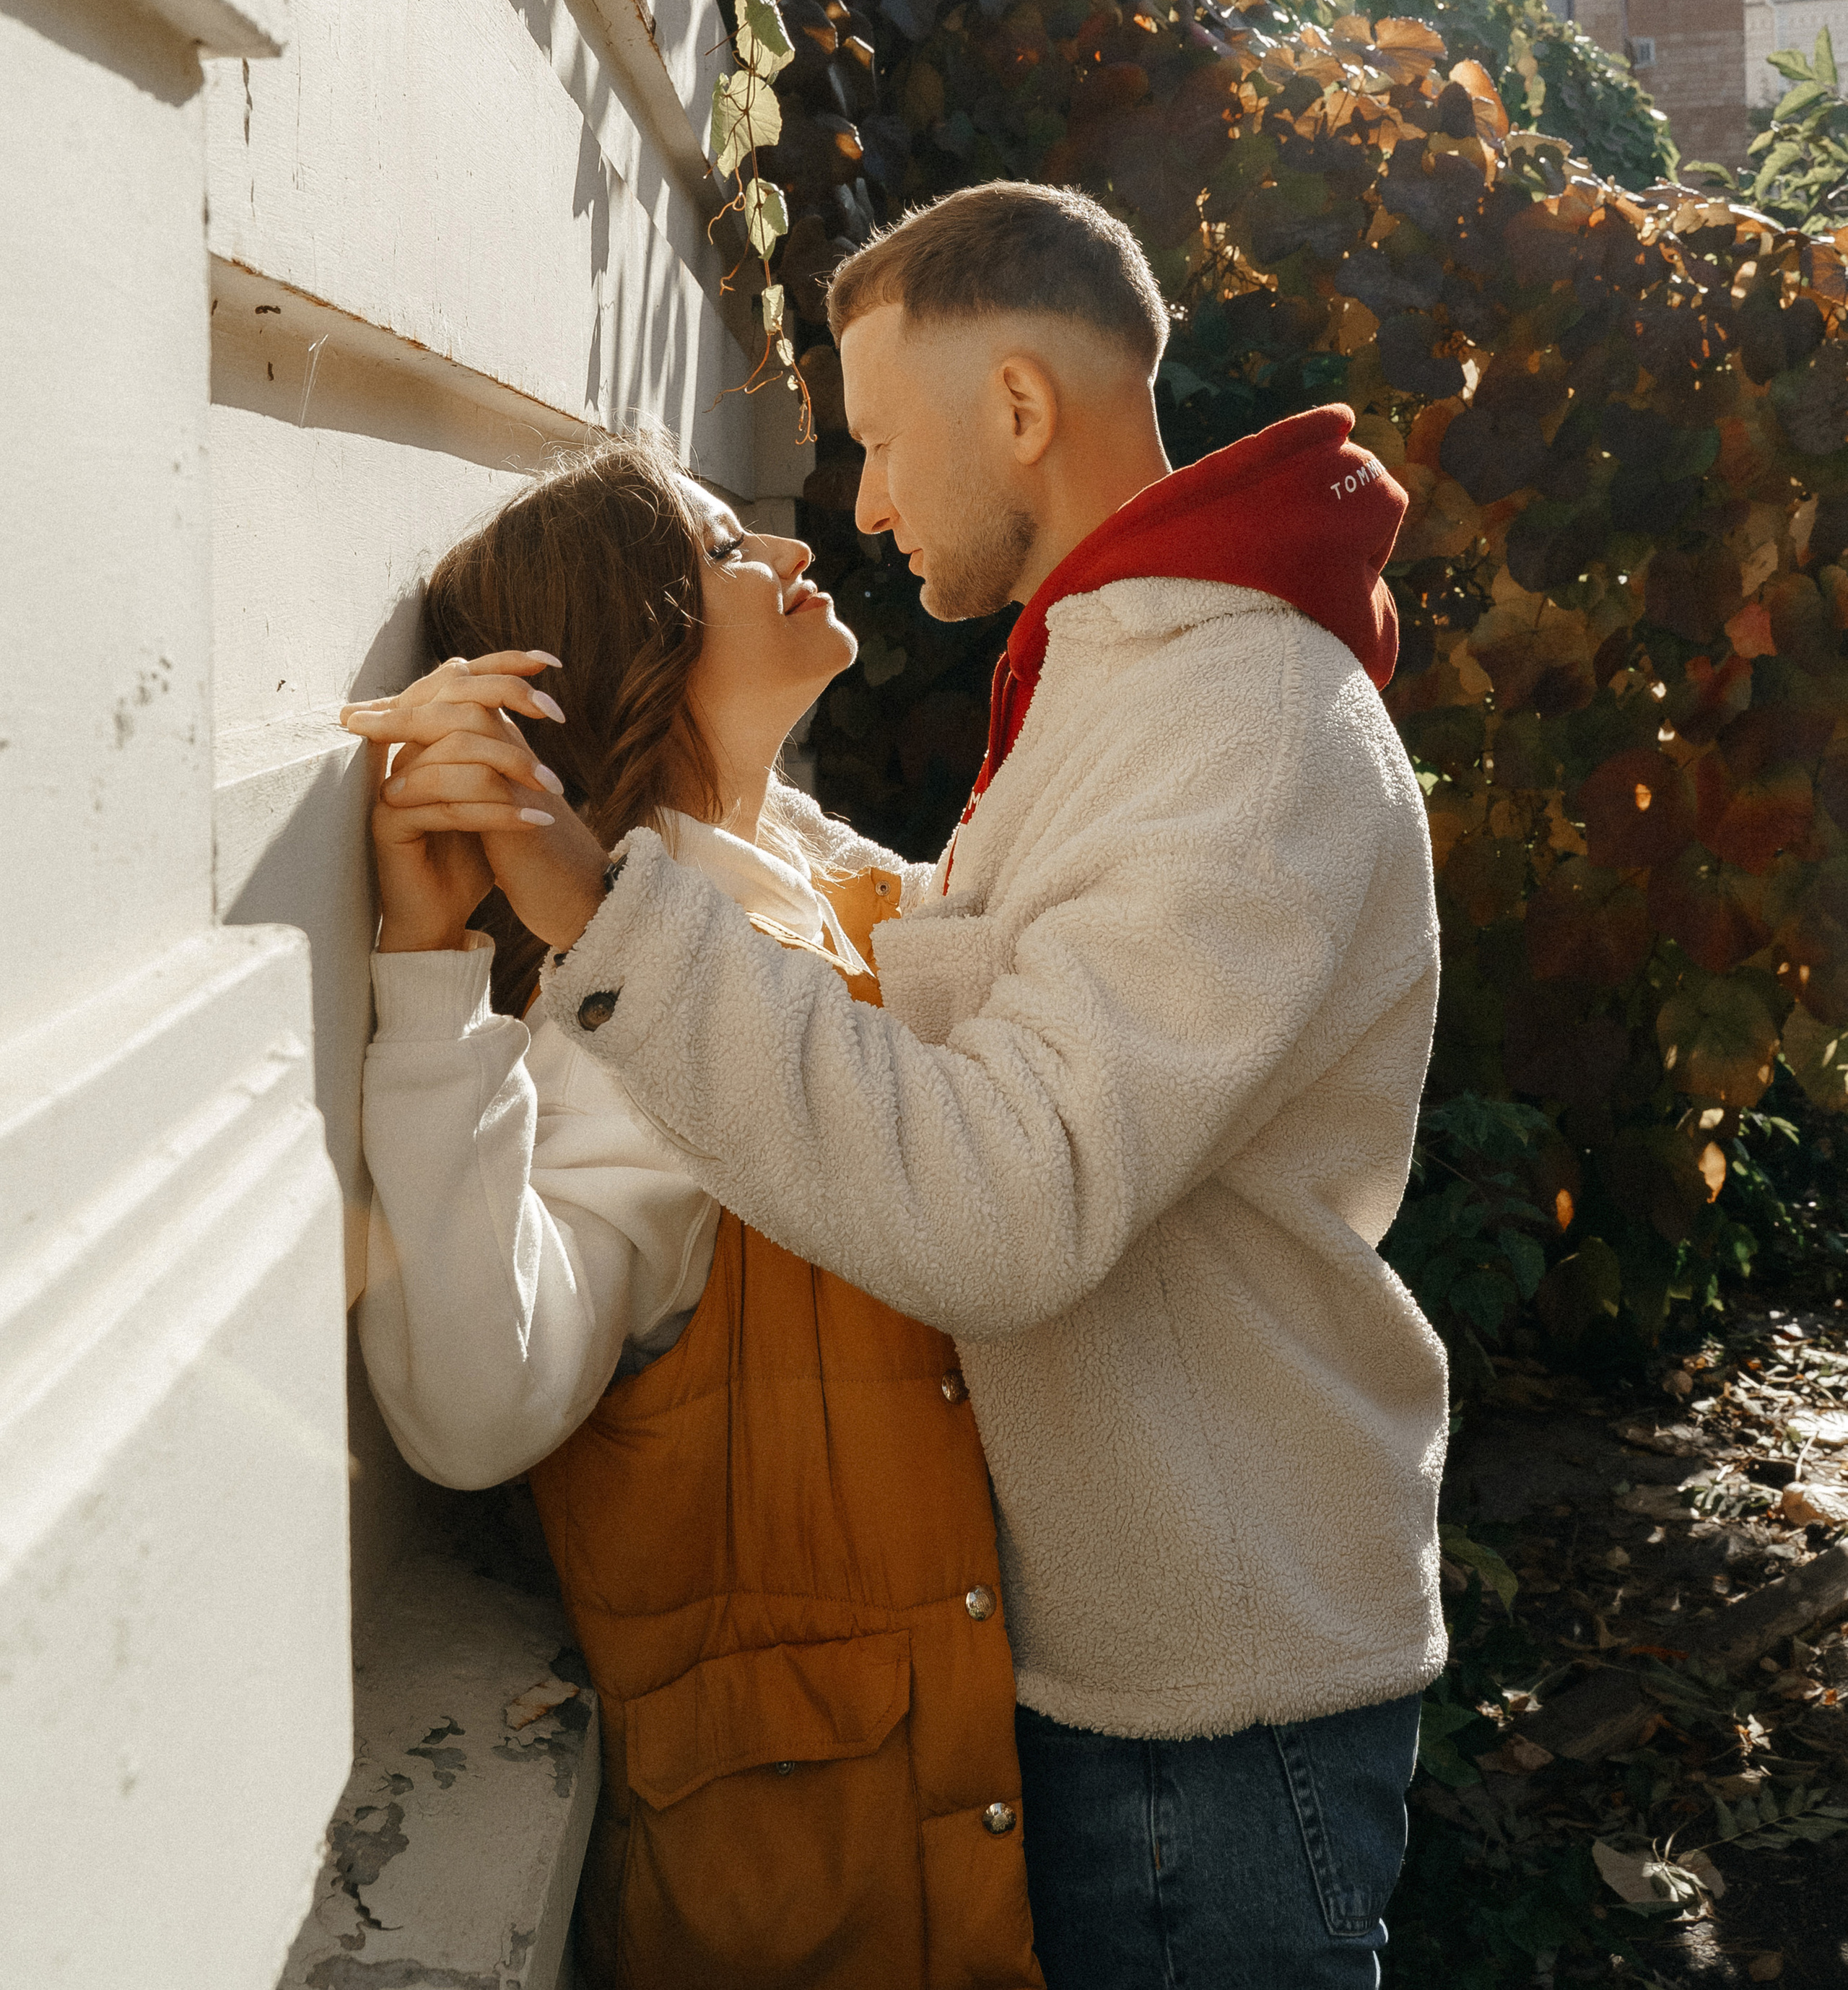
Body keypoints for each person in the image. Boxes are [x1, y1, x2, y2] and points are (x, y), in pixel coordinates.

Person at [369, 180, 1450, 1988]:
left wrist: (596, 903)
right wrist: (531, 911)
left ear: (1016, 406)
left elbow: (1009, 1188)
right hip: (1125, 1673)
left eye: (874, 438)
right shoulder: (1117, 683)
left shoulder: (1229, 719)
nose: (854, 506)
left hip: (1204, 1697)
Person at [341, 433, 1042, 1990]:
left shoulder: (828, 897)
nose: (791, 550)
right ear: (630, 649)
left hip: (953, 1837)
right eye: (725, 551)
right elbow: (476, 1410)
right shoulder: (634, 1026)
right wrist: (428, 978)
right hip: (818, 1893)